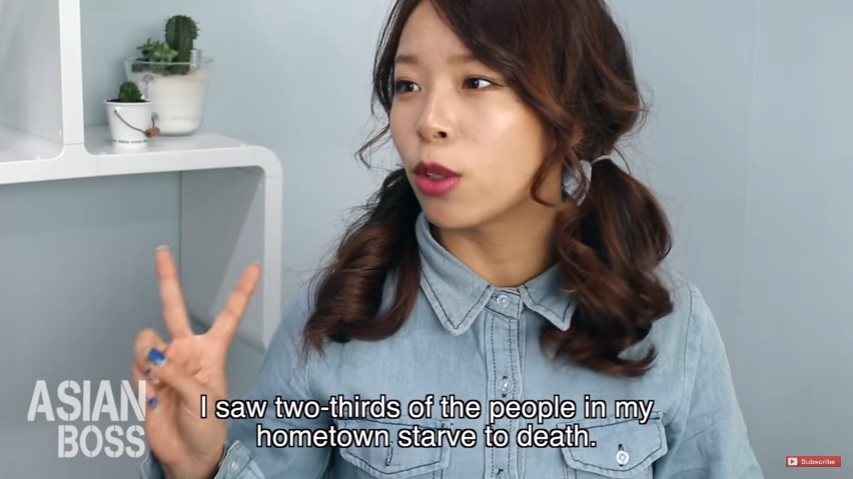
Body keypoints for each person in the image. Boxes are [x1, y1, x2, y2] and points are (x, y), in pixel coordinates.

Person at [132, 0, 764, 477]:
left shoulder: (672, 330)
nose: (428, 121)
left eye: (476, 81)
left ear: (571, 115)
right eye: (407, 85)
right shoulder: (338, 320)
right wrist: (197, 467)